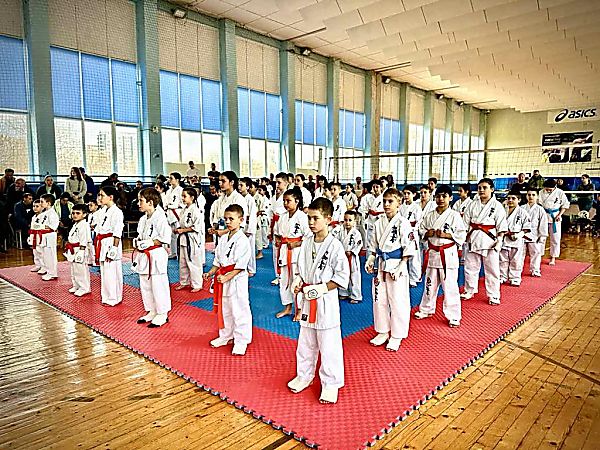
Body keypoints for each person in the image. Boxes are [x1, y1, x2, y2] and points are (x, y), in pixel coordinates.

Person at [288, 197, 350, 404]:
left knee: (328, 344)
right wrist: (298, 280)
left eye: (316, 218)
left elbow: (342, 277)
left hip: (324, 300)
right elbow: (300, 268)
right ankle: (304, 375)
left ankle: (331, 384)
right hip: (308, 299)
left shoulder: (335, 246)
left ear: (328, 219)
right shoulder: (306, 242)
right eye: (309, 218)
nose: (311, 222)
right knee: (306, 341)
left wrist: (321, 288)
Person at [365, 188, 416, 351]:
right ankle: (383, 331)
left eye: (390, 201)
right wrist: (371, 259)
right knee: (379, 299)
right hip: (381, 265)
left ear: (399, 203)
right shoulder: (378, 222)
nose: (386, 204)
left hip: (396, 265)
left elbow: (409, 247)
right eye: (384, 201)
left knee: (398, 300)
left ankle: (397, 335)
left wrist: (402, 266)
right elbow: (373, 246)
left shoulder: (403, 223)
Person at [203, 204, 252, 356]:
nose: (228, 222)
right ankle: (226, 335)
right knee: (225, 309)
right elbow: (218, 261)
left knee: (239, 310)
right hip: (223, 278)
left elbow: (241, 265)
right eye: (226, 219)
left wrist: (227, 276)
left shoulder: (243, 240)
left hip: (236, 279)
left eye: (231, 219)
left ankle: (241, 341)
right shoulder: (224, 238)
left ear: (241, 220)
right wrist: (210, 272)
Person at [416, 184, 466, 327]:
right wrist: (427, 233)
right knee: (429, 284)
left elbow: (461, 234)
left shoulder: (455, 216)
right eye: (438, 196)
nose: (441, 199)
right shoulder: (430, 215)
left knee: (450, 287)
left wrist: (447, 235)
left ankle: (453, 315)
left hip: (447, 255)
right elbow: (421, 229)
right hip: (432, 253)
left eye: (444, 196)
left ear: (450, 198)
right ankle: (426, 309)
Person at [461, 178, 508, 305]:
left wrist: (499, 240)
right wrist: (463, 237)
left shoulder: (497, 206)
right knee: (470, 267)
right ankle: (469, 290)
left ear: (492, 189)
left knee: (492, 269)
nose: (481, 190)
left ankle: (494, 295)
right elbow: (465, 223)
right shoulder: (472, 205)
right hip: (473, 238)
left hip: (490, 241)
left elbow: (501, 226)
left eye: (484, 187)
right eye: (479, 188)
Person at [131, 188, 172, 327]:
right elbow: (141, 235)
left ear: (150, 202)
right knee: (145, 284)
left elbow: (165, 238)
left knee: (158, 285)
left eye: (141, 201)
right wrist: (138, 241)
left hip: (156, 254)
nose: (138, 203)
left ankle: (162, 313)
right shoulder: (143, 219)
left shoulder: (161, 217)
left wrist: (150, 242)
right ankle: (152, 310)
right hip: (144, 255)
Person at [273, 187, 311, 319]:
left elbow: (309, 236)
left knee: (297, 282)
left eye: (288, 201)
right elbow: (277, 233)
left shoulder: (303, 217)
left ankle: (299, 309)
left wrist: (296, 243)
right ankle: (288, 307)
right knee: (284, 281)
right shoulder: (282, 217)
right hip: (284, 252)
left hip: (297, 254)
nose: (285, 203)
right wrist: (278, 240)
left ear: (297, 201)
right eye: (284, 201)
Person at [95, 186, 124, 306]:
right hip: (102, 242)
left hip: (111, 242)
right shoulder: (103, 211)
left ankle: (114, 298)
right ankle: (106, 297)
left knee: (112, 271)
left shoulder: (117, 212)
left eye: (102, 195)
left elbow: (117, 231)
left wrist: (114, 248)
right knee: (105, 272)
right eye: (99, 195)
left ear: (111, 197)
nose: (100, 197)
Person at [174, 187, 205, 293]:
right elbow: (183, 224)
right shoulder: (184, 210)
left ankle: (197, 284)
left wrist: (183, 230)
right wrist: (178, 229)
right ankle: (184, 282)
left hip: (192, 239)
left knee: (193, 262)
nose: (182, 198)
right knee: (182, 262)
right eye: (182, 196)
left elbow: (196, 227)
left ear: (192, 197)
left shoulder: (196, 210)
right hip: (183, 239)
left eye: (184, 196)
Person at [500, 189, 531, 286]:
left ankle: (515, 278)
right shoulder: (501, 210)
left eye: (513, 198)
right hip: (504, 238)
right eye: (508, 198)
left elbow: (527, 228)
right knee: (502, 259)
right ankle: (502, 276)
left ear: (519, 200)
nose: (510, 200)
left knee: (516, 260)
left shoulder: (523, 212)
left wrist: (519, 235)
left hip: (516, 239)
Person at [209, 171, 248, 247]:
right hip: (221, 232)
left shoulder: (239, 199)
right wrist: (214, 227)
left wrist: (224, 231)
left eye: (223, 181)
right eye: (219, 181)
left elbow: (240, 222)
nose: (220, 183)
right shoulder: (221, 199)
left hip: (233, 234)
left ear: (232, 182)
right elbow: (218, 217)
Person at [539, 178, 570, 266]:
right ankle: (539, 256)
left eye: (550, 189)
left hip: (555, 216)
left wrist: (559, 215)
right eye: (546, 189)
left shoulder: (560, 192)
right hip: (544, 215)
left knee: (555, 238)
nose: (548, 191)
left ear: (555, 187)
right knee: (541, 237)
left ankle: (553, 257)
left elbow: (565, 205)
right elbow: (539, 204)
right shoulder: (541, 192)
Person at [64, 204, 91, 297]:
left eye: (78, 213)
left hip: (80, 249)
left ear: (84, 214)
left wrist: (82, 251)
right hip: (73, 248)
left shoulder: (84, 225)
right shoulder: (76, 224)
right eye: (73, 213)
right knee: (74, 269)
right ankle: (76, 285)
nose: (75, 215)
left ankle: (84, 288)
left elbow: (84, 239)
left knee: (80, 269)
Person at [268, 172, 289, 286]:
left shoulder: (288, 196)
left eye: (279, 182)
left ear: (286, 183)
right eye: (276, 182)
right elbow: (271, 212)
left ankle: (284, 276)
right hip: (274, 226)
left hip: (283, 228)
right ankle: (278, 275)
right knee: (275, 253)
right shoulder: (274, 196)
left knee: (283, 253)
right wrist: (270, 230)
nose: (277, 184)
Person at [399, 185, 423, 288]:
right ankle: (403, 276)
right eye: (404, 193)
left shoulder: (416, 207)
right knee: (403, 255)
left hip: (413, 232)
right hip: (402, 232)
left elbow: (419, 221)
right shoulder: (401, 207)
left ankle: (414, 278)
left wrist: (414, 229)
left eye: (408, 193)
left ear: (414, 194)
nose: (406, 195)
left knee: (414, 256)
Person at [338, 210, 362, 303]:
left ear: (354, 221)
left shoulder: (356, 233)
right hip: (342, 256)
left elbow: (359, 244)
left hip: (352, 257)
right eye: (345, 220)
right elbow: (336, 242)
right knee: (342, 273)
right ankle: (343, 292)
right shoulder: (340, 231)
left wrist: (352, 251)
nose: (347, 222)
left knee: (354, 276)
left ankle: (356, 296)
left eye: (350, 220)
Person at [523, 189, 548, 277]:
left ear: (537, 197)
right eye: (529, 195)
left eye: (533, 195)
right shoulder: (521, 208)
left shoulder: (540, 209)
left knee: (536, 253)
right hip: (522, 235)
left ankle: (535, 270)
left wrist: (542, 235)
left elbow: (543, 223)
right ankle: (517, 271)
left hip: (534, 234)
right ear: (526, 196)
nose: (531, 197)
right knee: (519, 254)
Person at [37, 194, 60, 281]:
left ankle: (52, 273)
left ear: (49, 203)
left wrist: (42, 226)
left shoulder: (53, 214)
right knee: (45, 255)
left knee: (50, 255)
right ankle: (48, 271)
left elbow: (53, 227)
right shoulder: (45, 213)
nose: (40, 203)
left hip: (50, 236)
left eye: (42, 201)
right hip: (44, 236)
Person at [238, 178, 258, 276]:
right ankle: (243, 267)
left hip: (248, 226)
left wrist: (250, 229)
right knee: (241, 249)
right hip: (241, 225)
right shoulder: (239, 198)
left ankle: (251, 269)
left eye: (241, 185)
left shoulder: (250, 199)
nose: (239, 187)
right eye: (239, 185)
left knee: (250, 249)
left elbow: (253, 215)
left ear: (248, 187)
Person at [359, 180, 384, 249]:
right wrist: (365, 214)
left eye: (377, 187)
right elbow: (363, 209)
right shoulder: (367, 197)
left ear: (381, 188)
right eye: (373, 187)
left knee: (380, 239)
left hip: (380, 220)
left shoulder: (384, 198)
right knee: (370, 240)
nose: (375, 189)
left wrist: (378, 215)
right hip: (370, 220)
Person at [165, 172, 184, 259]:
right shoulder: (168, 191)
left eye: (171, 178)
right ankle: (173, 252)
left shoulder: (181, 190)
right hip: (170, 214)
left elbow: (183, 203)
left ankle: (181, 253)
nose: (169, 180)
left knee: (179, 234)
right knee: (172, 235)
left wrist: (173, 206)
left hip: (177, 214)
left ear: (177, 180)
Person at [28, 200, 44, 272]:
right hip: (34, 235)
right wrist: (30, 237)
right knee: (35, 251)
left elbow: (42, 226)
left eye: (37, 206)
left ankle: (44, 267)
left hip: (40, 235)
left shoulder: (43, 216)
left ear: (42, 207)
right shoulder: (33, 217)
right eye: (34, 206)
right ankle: (38, 265)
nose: (35, 208)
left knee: (41, 252)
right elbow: (32, 228)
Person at [255, 184, 270, 260]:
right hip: (260, 216)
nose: (259, 191)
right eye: (258, 190)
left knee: (264, 231)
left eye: (260, 190)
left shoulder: (265, 199)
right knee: (262, 232)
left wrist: (260, 212)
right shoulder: (258, 197)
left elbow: (265, 209)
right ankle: (264, 243)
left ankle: (265, 243)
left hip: (264, 216)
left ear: (264, 191)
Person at [87, 199, 102, 267]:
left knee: (95, 246)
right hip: (90, 231)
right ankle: (90, 260)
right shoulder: (90, 215)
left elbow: (99, 223)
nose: (89, 207)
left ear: (96, 206)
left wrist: (94, 225)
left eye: (91, 205)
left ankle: (96, 260)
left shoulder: (99, 213)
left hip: (96, 232)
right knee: (89, 246)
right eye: (89, 205)